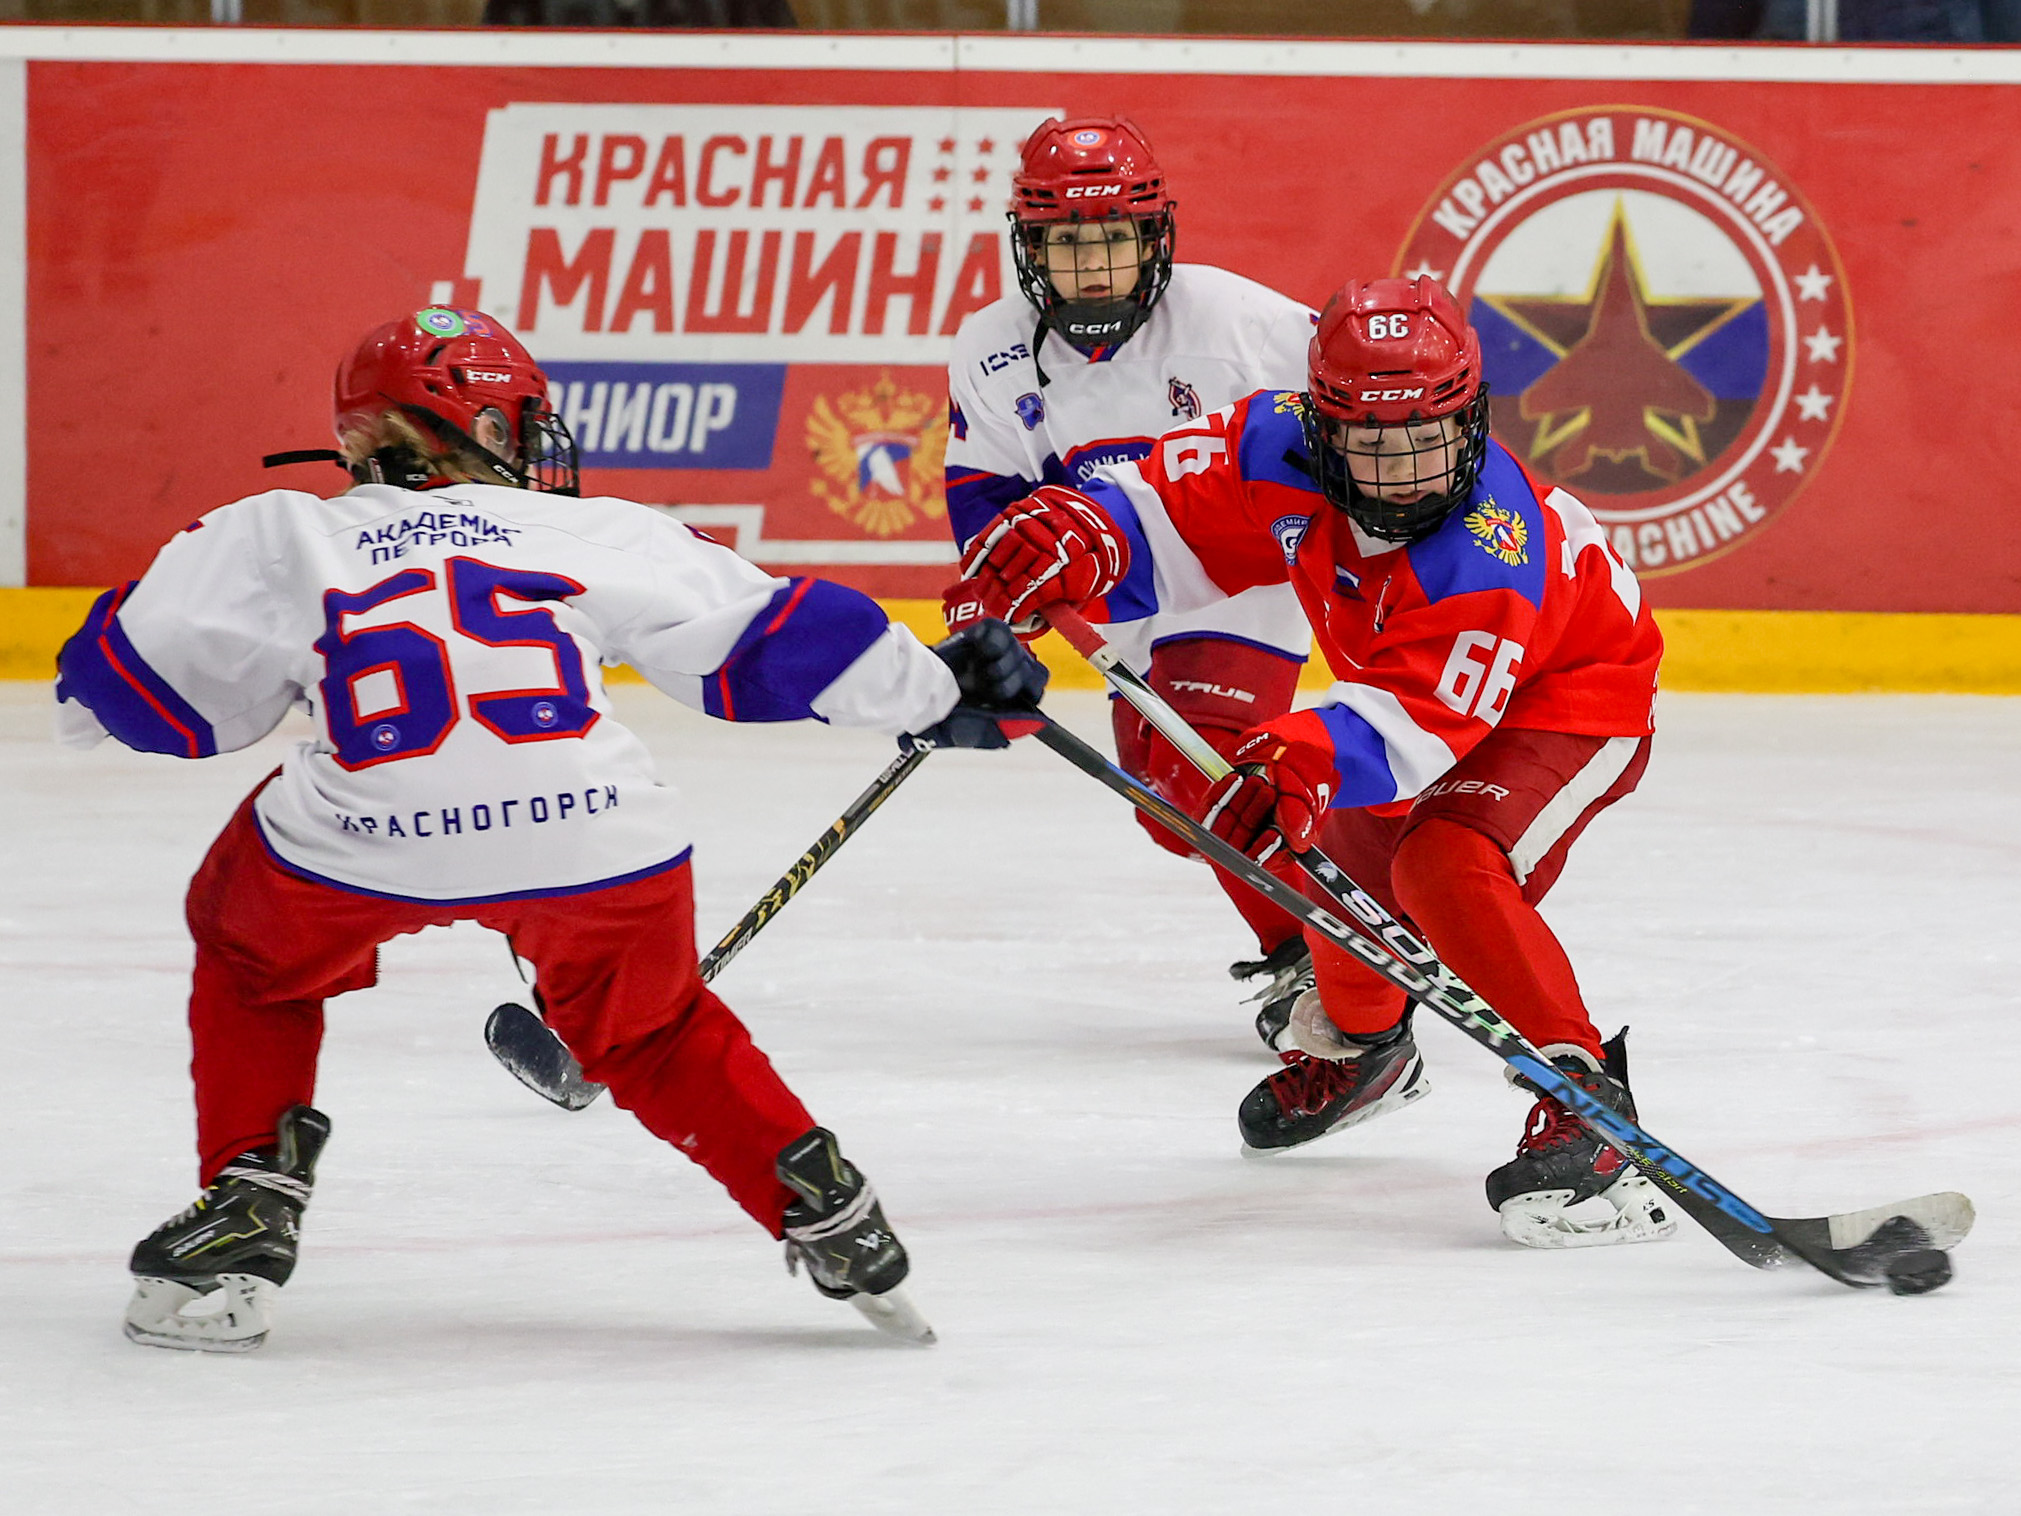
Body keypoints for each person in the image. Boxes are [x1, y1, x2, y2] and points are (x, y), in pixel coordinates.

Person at [56, 307, 1046, 1352]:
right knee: (652, 1030)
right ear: (483, 425)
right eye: (521, 423)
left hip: (366, 832)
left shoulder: (277, 532)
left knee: (252, 955)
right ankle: (824, 1209)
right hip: (594, 827)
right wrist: (936, 687)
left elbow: (129, 690)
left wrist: (121, 684)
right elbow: (772, 636)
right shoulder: (594, 529)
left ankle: (251, 1195)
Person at [953, 276, 1675, 1250]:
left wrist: (1294, 758)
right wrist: (1081, 540)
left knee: (1441, 860)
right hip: (1416, 693)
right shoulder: (1276, 441)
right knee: (1330, 857)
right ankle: (1366, 1051)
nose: (1403, 473)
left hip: (1569, 696)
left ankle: (1585, 1103)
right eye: (1372, 444)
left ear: (1469, 416)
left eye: (1427, 437)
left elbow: (1411, 727)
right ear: (1321, 424)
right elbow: (1165, 518)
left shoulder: (1486, 548)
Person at [944, 114, 1322, 1049]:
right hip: (1124, 597)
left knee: (1205, 762)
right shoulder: (991, 347)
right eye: (1066, 244)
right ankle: (1326, 898)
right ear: (1028, 246)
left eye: (1113, 238)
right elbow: (986, 493)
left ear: (1154, 235)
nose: (1093, 267)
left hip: (1239, 577)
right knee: (1166, 802)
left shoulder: (1244, 323)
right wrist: (992, 609)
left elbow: (1351, 415)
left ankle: (1326, 959)